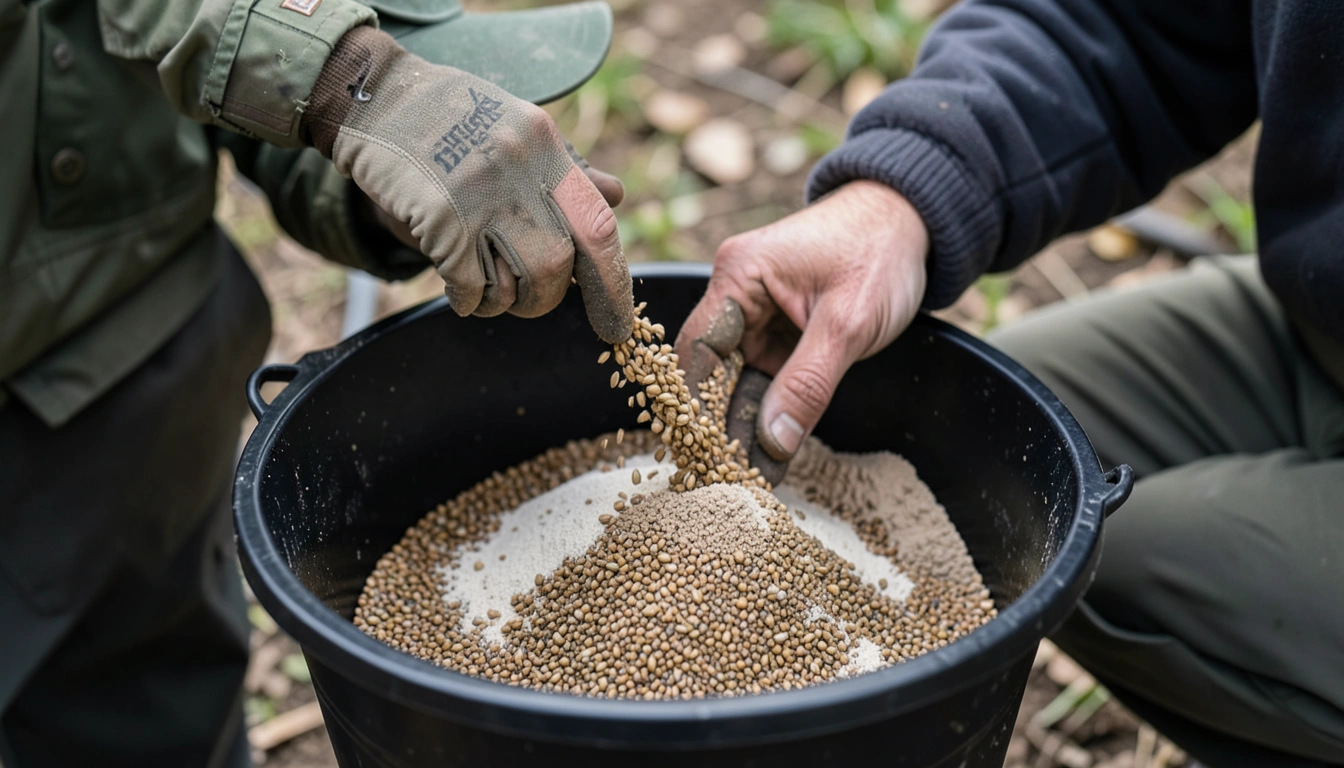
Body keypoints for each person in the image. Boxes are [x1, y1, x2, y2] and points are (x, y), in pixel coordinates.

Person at [676, 1, 1344, 765]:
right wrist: (903, 194)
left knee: (1110, 557)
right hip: (1318, 320)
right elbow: (1131, 25)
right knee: (990, 451)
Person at [0, 0, 633, 764]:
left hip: (150, 357)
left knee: (149, 712)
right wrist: (354, 82)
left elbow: (212, 83)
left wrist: (367, 175)